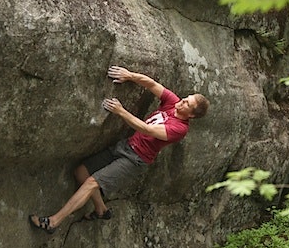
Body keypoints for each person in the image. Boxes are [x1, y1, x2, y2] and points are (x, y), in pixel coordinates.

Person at [28, 65, 209, 234]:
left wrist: (121, 111)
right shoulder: (173, 103)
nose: (183, 101)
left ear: (191, 115)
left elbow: (147, 130)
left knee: (92, 182)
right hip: (125, 145)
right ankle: (101, 210)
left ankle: (53, 222)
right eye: (186, 98)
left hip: (135, 159)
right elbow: (152, 84)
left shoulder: (180, 129)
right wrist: (129, 75)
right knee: (80, 172)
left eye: (187, 103)